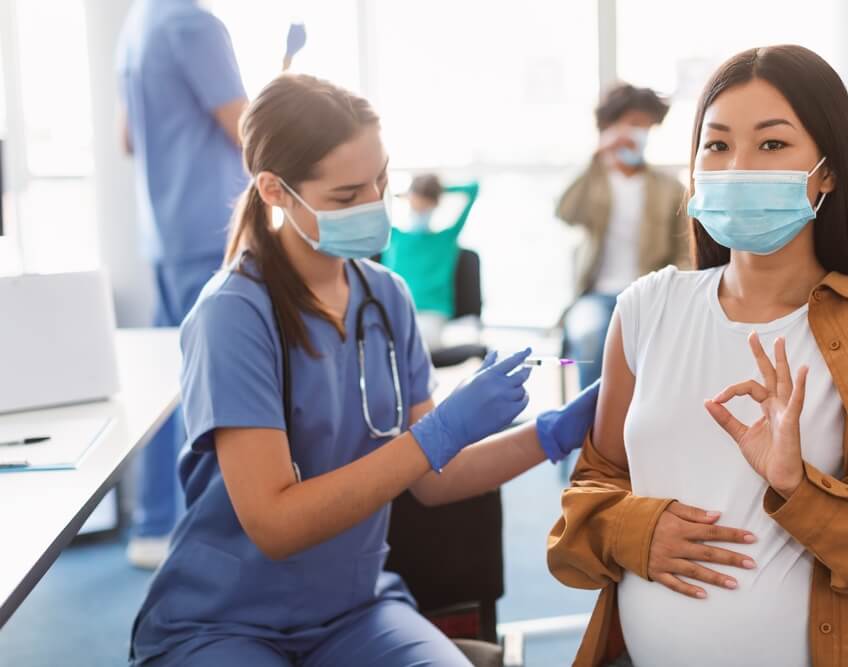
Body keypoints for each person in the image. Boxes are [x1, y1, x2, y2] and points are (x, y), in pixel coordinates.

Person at [129, 73, 600, 666]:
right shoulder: (233, 316)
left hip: (354, 611)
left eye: (381, 180)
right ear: (275, 191)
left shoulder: (386, 297)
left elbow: (434, 479)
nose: (374, 206)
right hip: (226, 620)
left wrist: (554, 432)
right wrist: (438, 434)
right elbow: (274, 524)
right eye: (347, 197)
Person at [547, 45, 848, 667]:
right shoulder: (646, 309)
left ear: (829, 172)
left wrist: (798, 488)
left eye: (773, 145)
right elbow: (592, 487)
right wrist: (632, 529)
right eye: (717, 145)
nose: (737, 168)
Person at [116, 1, 306, 569]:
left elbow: (130, 139)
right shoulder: (194, 23)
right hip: (209, 229)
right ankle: (222, 539)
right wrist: (290, 66)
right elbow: (251, 132)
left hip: (164, 233)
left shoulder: (137, 26)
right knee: (226, 386)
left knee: (166, 388)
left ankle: (153, 524)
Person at [556, 83, 689, 388]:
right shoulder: (594, 182)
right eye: (631, 123)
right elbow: (565, 212)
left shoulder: (669, 188)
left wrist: (676, 291)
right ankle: (590, 427)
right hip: (596, 297)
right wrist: (595, 158)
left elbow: (685, 249)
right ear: (610, 127)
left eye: (645, 126)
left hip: (651, 295)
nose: (638, 132)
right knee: (590, 339)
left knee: (666, 351)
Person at [380, 174, 480, 350]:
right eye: (416, 202)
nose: (420, 209)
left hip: (432, 313)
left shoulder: (446, 239)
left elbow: (473, 188)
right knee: (382, 341)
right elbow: (380, 198)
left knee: (415, 342)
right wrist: (411, 192)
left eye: (425, 204)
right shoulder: (393, 236)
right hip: (396, 310)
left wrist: (436, 190)